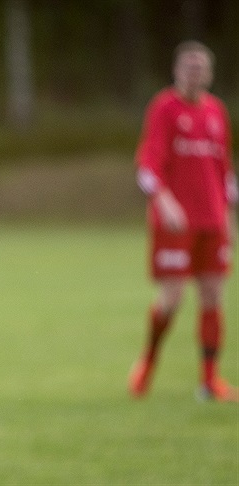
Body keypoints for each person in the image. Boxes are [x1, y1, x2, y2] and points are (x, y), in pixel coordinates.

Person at [129, 40, 237, 402]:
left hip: (212, 221)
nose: (195, 74)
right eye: (189, 68)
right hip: (175, 225)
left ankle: (209, 381)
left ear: (210, 73)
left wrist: (229, 217)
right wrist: (165, 202)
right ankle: (148, 361)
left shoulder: (217, 111)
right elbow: (147, 165)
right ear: (176, 71)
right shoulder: (164, 108)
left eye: (200, 68)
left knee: (213, 295)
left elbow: (224, 171)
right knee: (172, 299)